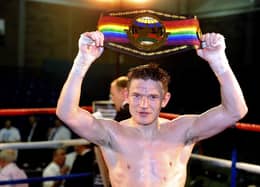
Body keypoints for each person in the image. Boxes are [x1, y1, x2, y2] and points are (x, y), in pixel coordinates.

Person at [56, 31, 248, 187]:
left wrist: (219, 62)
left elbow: (235, 111)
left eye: (153, 97)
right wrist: (82, 61)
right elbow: (66, 113)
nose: (144, 105)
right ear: (126, 97)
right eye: (137, 96)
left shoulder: (182, 131)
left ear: (165, 100)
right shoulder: (112, 133)